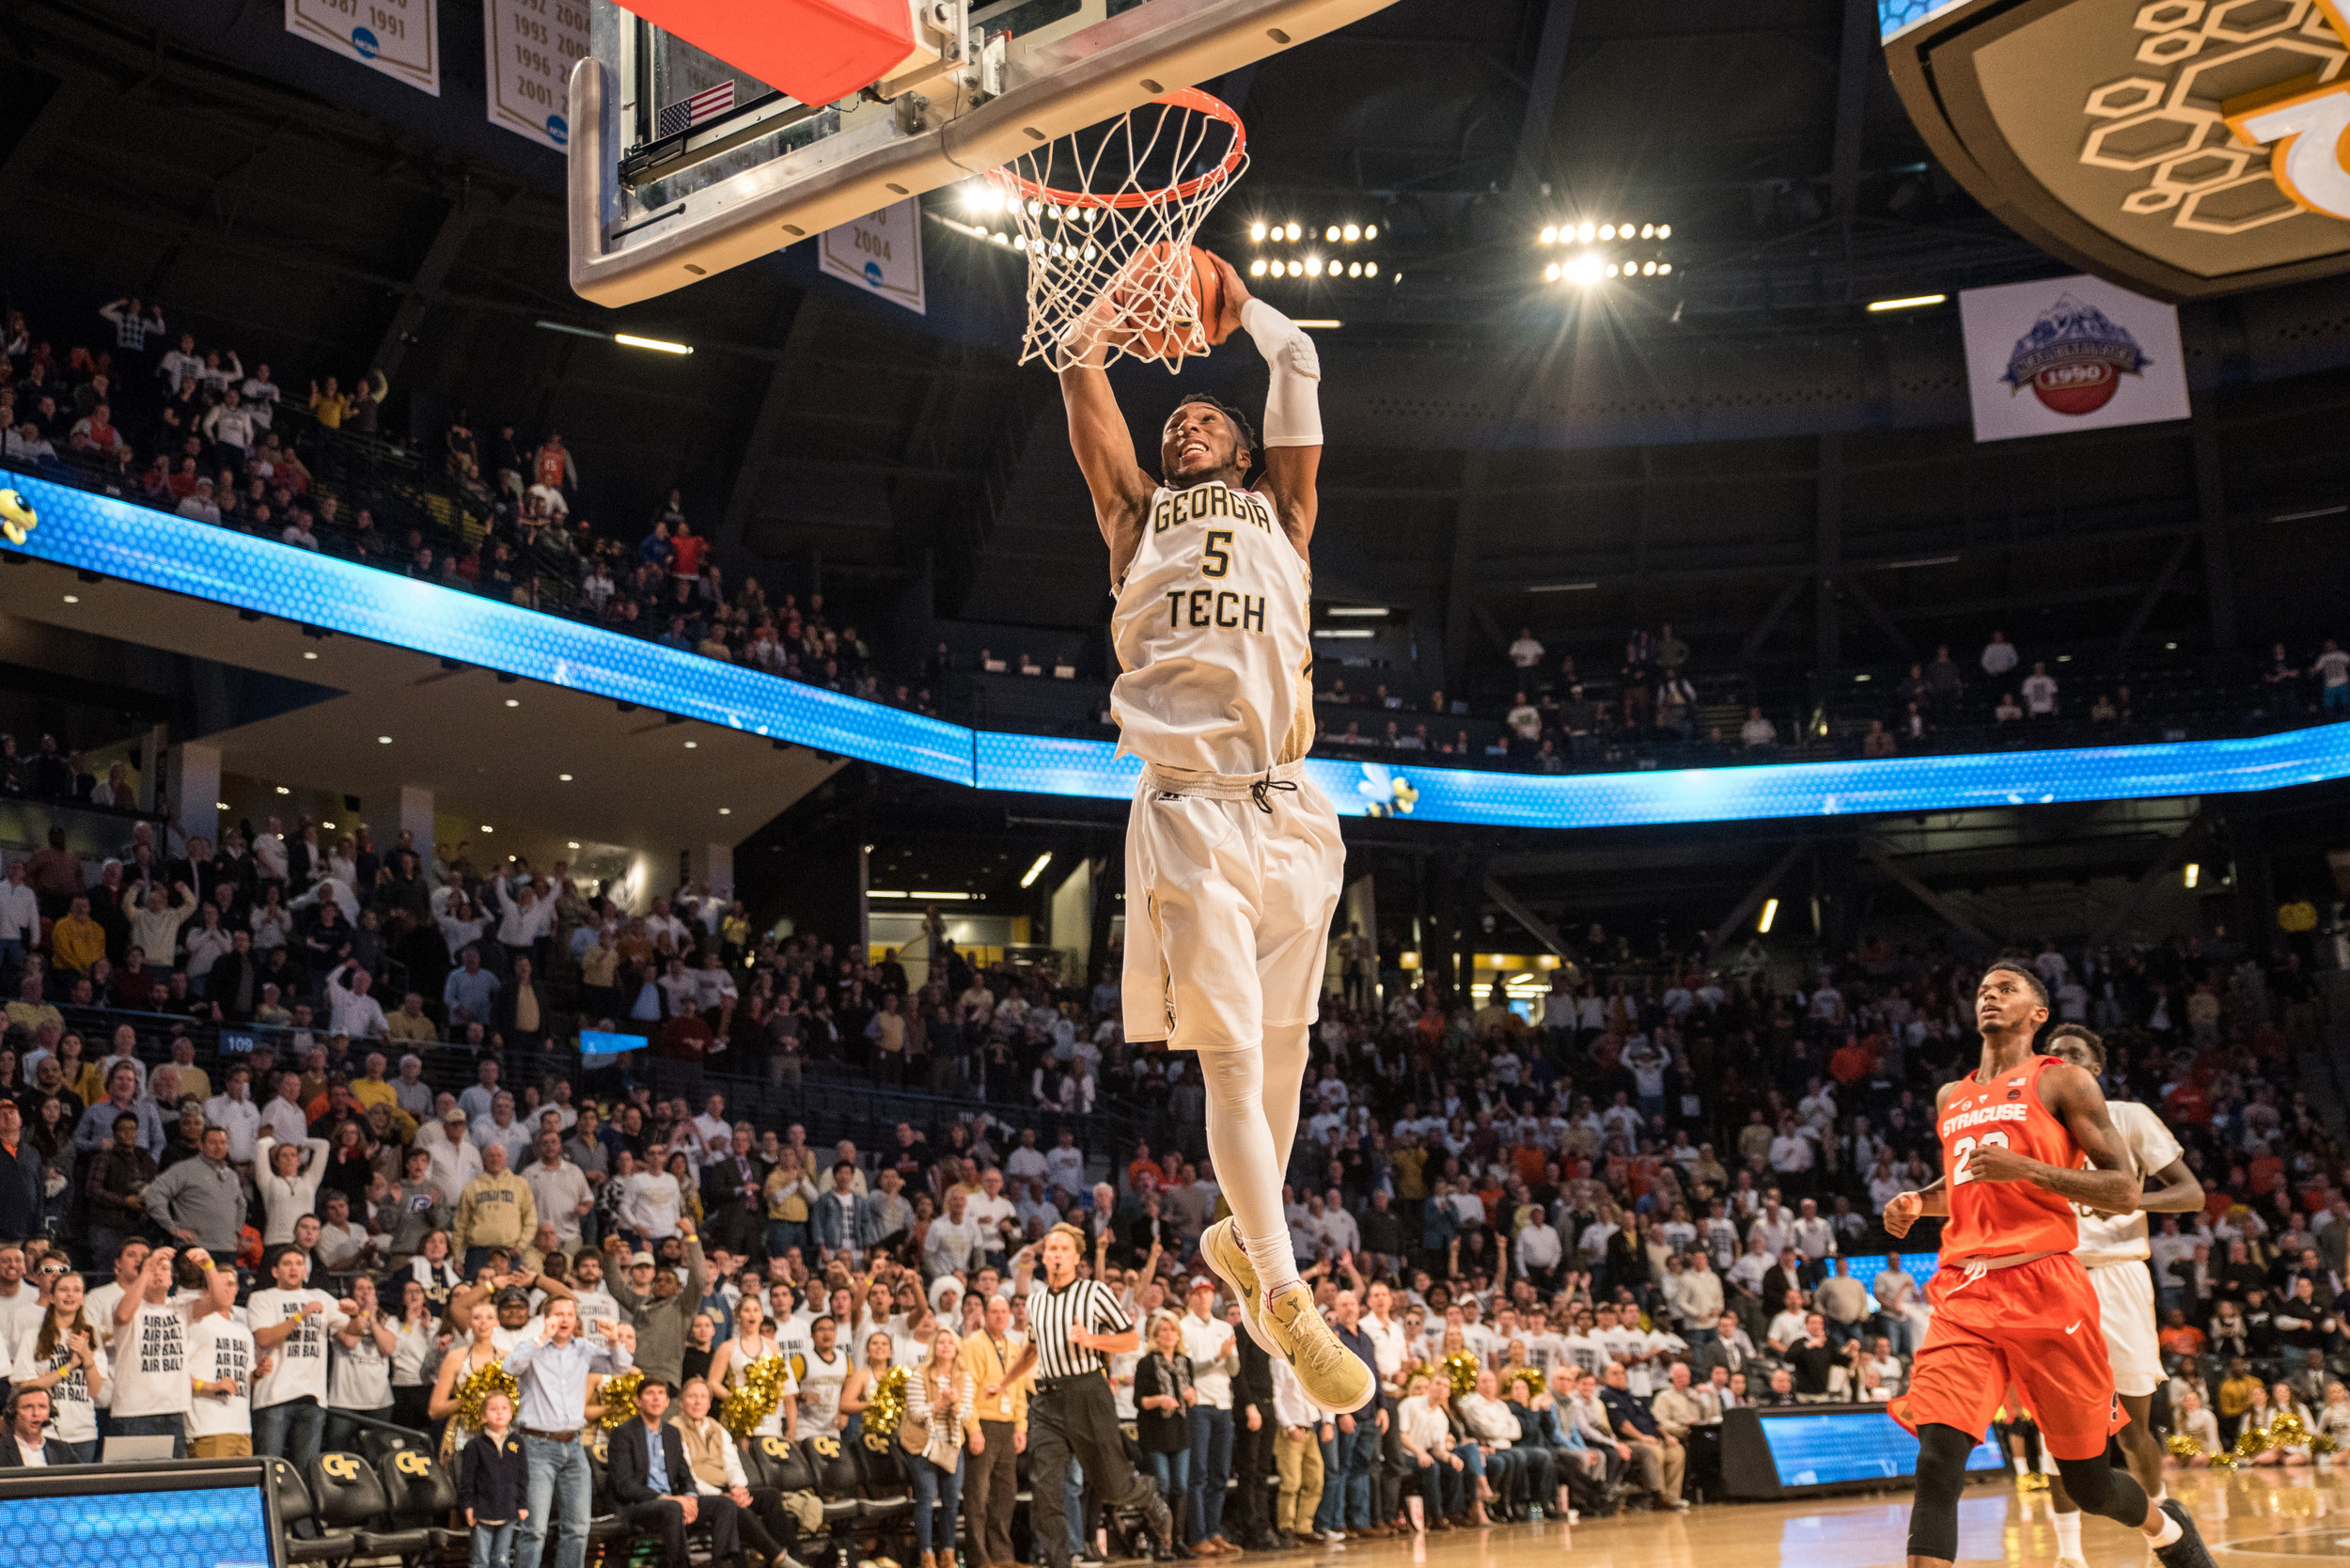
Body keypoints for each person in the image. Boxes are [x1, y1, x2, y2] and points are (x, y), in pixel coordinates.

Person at [1058, 249, 1364, 1415]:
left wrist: (1239, 308)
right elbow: (1077, 364)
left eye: (1205, 419)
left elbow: (1299, 359)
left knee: (1284, 1052)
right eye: (1171, 421)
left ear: (1244, 449)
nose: (1184, 423)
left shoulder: (1285, 511)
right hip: (1189, 807)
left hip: (1289, 804)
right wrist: (1106, 310)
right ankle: (1284, 1297)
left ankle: (1243, 1237)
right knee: (1233, 1060)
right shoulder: (1135, 514)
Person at [1883, 962, 2217, 1568]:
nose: (1990, 995)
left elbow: (2122, 1189)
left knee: (2090, 1483)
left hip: (2047, 1284)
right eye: (1983, 989)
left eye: (2006, 989)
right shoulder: (1951, 1096)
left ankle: (2165, 1527)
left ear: (2038, 1013)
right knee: (1937, 1457)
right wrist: (1918, 1202)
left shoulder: (2063, 1081)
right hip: (1964, 1290)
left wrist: (2028, 1170)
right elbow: (1964, 1182)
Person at [2040, 1024, 2205, 1568]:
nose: (2063, 1061)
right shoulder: (2034, 1126)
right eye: (2054, 1055)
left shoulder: (2129, 1116)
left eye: (2075, 1054)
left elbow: (2191, 1193)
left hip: (2119, 1274)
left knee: (2135, 1426)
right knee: (2056, 1424)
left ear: (2097, 1068)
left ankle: (2164, 1535)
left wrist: (2133, 1202)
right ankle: (2069, 1555)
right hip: (2055, 1274)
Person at [997, 1227, 1174, 1567]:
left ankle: (1146, 1493)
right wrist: (1004, 1383)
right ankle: (1060, 1561)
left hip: (1088, 1393)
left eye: (1065, 1249)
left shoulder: (1094, 1292)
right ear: (1044, 1256)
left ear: (1077, 1257)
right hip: (1047, 1401)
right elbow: (1031, 1349)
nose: (1057, 1254)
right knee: (1045, 1489)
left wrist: (1092, 1340)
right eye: (1052, 1248)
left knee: (1113, 1486)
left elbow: (1130, 1340)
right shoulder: (1035, 1300)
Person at [503, 1298, 630, 1568]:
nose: (564, 1319)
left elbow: (621, 1367)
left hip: (574, 1446)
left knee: (578, 1528)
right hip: (537, 1446)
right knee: (535, 1530)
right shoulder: (531, 1346)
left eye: (569, 1314)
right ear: (546, 1318)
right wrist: (541, 1339)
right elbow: (510, 1367)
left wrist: (613, 1340)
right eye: (558, 1314)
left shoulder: (583, 1348)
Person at [607, 1377, 744, 1568]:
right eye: (650, 1394)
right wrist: (667, 1498)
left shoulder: (671, 1433)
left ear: (666, 1402)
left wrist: (691, 1498)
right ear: (638, 1401)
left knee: (724, 1504)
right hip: (640, 1505)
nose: (656, 1398)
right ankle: (682, 1564)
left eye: (661, 1394)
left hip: (674, 1502)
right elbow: (625, 1484)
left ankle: (721, 1563)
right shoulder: (623, 1433)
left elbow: (684, 1474)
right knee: (673, 1508)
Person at [249, 1243, 351, 1472]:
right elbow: (264, 1338)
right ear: (275, 1271)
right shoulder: (262, 1298)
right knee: (270, 1470)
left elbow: (353, 1331)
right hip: (274, 1397)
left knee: (307, 1473)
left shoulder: (319, 1297)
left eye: (298, 1264)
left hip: (313, 1398)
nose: (294, 1268)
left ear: (305, 1271)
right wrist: (300, 1316)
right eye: (287, 1264)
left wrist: (357, 1314)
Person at [10, 1269, 106, 1461]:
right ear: (52, 1297)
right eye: (64, 1290)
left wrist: (87, 1357)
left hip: (84, 1433)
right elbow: (26, 1387)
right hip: (46, 1431)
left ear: (82, 1299)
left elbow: (95, 1390)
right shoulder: (33, 1336)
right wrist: (68, 1366)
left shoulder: (90, 1337)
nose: (70, 1295)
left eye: (76, 1290)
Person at [961, 1292, 1027, 1568]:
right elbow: (966, 1391)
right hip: (983, 1424)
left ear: (1010, 1316)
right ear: (985, 1315)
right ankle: (978, 1557)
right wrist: (973, 1429)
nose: (1000, 1316)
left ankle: (1002, 1555)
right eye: (995, 1312)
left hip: (1007, 1426)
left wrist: (1021, 1426)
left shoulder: (1014, 1347)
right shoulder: (973, 1345)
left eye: (1004, 1312)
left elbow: (1019, 1390)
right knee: (978, 1495)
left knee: (1005, 1495)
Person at [902, 1325, 974, 1568]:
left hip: (952, 1445)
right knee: (925, 1499)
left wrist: (955, 1405)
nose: (946, 1346)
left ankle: (948, 1555)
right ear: (934, 1347)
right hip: (923, 1445)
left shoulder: (964, 1377)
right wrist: (940, 1403)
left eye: (950, 1342)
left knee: (951, 1501)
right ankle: (927, 1556)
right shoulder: (919, 1375)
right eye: (941, 1342)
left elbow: (966, 1415)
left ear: (957, 1349)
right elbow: (915, 1413)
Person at [185, 1259, 257, 1459]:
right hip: (207, 1428)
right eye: (220, 1284)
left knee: (245, 1481)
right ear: (206, 1290)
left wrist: (258, 1373)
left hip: (242, 1427)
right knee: (212, 1481)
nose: (227, 1289)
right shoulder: (196, 1324)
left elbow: (246, 1378)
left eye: (231, 1284)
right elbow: (176, 1374)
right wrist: (212, 1386)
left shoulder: (243, 1330)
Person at [460, 1388, 529, 1568]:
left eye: (504, 1408)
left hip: (508, 1510)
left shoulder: (517, 1442)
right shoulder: (475, 1446)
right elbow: (467, 1480)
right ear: (483, 1416)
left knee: (501, 1559)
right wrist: (468, 1506)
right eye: (493, 1409)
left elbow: (523, 1477)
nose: (499, 1412)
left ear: (511, 1414)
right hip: (482, 1512)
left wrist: (522, 1504)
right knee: (480, 1560)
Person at [0, 1388, 72, 1467]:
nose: (36, 1413)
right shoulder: (2, 1448)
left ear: (50, 1413)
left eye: (42, 1407)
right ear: (13, 1413)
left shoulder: (61, 1449)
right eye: (28, 1407)